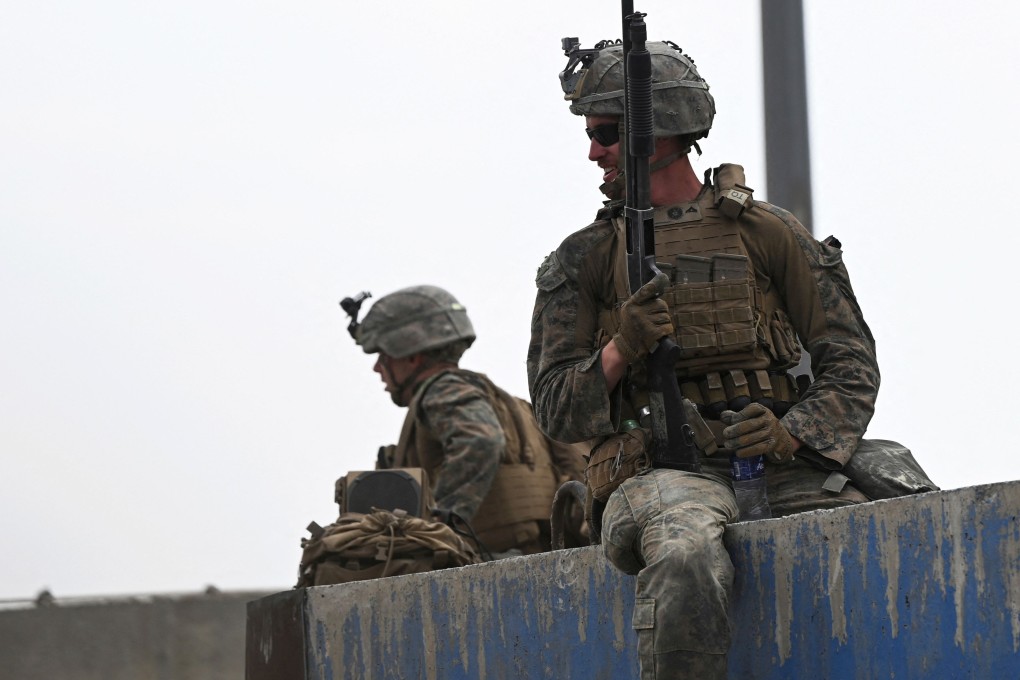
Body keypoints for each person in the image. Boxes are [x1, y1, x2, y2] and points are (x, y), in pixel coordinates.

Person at [528, 39, 880, 678]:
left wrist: (790, 432)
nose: (592, 151)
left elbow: (850, 362)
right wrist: (619, 349)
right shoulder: (584, 258)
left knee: (896, 528)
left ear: (656, 135)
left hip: (777, 464)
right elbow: (554, 409)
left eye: (605, 133)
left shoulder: (766, 232)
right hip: (659, 474)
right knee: (685, 553)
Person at [353, 284, 581, 558]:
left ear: (412, 357)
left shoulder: (444, 391)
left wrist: (436, 528)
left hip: (486, 561)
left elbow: (480, 440)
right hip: (527, 558)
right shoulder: (506, 403)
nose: (377, 368)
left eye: (383, 356)